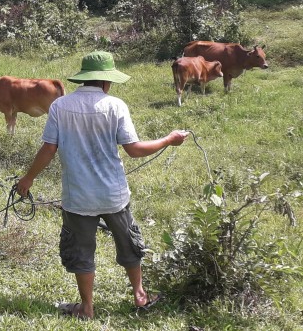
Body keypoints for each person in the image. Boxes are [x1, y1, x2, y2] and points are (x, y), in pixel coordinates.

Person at [15, 51, 189, 320]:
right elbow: (134, 149)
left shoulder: (60, 106)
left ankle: (86, 308)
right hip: (113, 195)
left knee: (81, 252)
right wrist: (168, 139)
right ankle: (140, 296)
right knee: (129, 245)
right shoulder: (115, 105)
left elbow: (49, 148)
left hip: (77, 198)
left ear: (84, 78)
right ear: (107, 82)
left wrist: (28, 179)